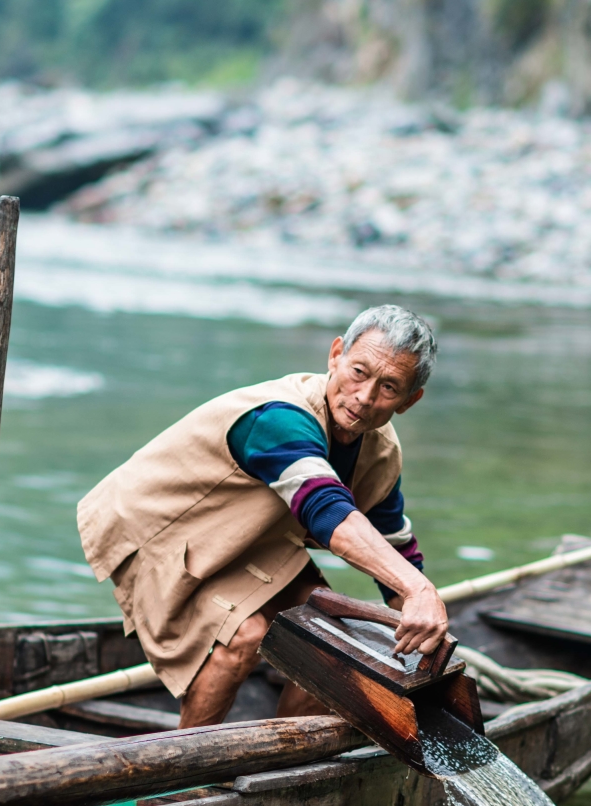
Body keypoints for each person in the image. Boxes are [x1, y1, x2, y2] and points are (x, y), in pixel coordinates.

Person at [78, 306, 447, 726]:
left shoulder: (379, 450)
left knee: (335, 641)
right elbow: (325, 509)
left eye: (388, 387)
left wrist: (434, 636)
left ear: (409, 401)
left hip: (245, 540)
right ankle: (179, 787)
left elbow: (396, 551)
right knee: (244, 634)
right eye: (359, 372)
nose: (364, 397)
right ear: (336, 355)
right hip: (159, 528)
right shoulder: (279, 418)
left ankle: (286, 767)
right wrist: (419, 591)